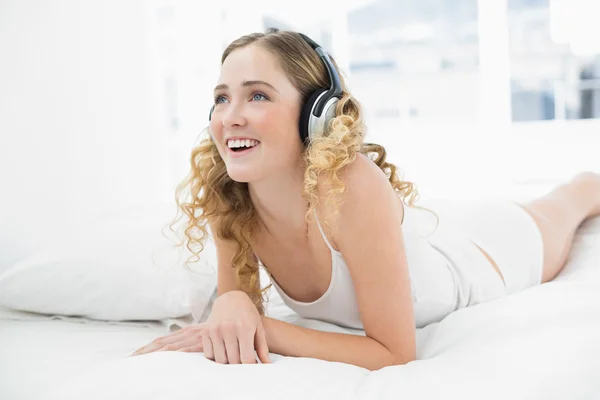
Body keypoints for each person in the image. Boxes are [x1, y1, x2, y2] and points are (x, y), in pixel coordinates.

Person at [130, 28, 600, 371]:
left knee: (569, 203)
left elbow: (394, 353)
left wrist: (265, 327)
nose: (231, 116)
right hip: (429, 243)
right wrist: (231, 305)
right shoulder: (229, 192)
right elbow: (237, 300)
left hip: (484, 261)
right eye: (221, 98)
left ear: (315, 114)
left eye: (257, 96)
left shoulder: (349, 185)